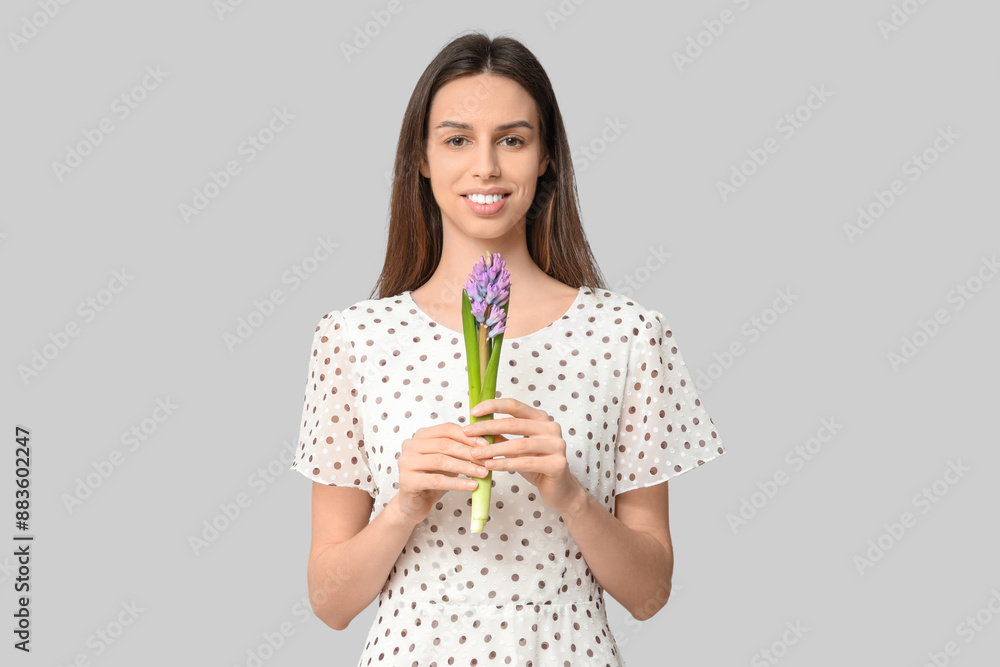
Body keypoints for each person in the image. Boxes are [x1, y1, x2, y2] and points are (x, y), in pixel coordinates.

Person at [290, 30, 727, 666]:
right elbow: (329, 604)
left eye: (513, 140)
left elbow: (650, 593)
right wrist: (403, 508)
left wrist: (571, 495)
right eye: (458, 139)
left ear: (546, 156)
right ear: (422, 156)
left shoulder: (629, 335)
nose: (486, 167)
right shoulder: (352, 338)